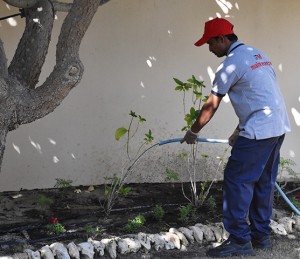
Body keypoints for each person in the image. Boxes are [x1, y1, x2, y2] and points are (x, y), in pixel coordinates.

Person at [181, 17, 291, 257]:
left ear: (222, 39)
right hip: (276, 127)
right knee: (263, 182)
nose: (209, 49)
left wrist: (193, 132)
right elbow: (260, 95)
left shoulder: (230, 65)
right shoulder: (257, 55)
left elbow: (211, 105)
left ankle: (240, 240)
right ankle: (261, 237)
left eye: (210, 43)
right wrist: (239, 129)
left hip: (259, 132)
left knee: (237, 181)